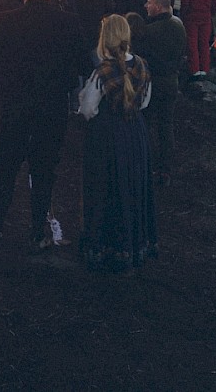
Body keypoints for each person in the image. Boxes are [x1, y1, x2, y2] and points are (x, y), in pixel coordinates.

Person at [0, 0, 86, 251]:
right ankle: (38, 231)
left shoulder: (5, 21)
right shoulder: (69, 23)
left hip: (16, 105)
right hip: (53, 107)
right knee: (45, 167)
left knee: (7, 164)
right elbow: (84, 65)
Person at [78, 14, 157, 272]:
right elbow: (144, 103)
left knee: (105, 187)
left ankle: (102, 245)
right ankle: (131, 245)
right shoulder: (143, 65)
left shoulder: (102, 71)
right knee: (131, 187)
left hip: (107, 137)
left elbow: (88, 108)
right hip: (135, 134)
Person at [137, 0, 186, 185]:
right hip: (171, 83)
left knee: (146, 123)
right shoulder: (179, 27)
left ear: (158, 6)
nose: (146, 6)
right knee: (166, 125)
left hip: (152, 85)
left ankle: (146, 164)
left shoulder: (150, 31)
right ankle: (165, 169)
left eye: (149, 3)